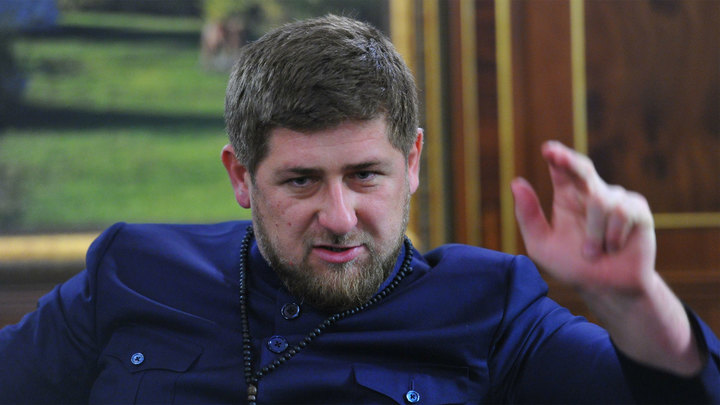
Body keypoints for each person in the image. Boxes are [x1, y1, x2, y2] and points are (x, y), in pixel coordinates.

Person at [0, 14, 718, 404]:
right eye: (302, 182)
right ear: (241, 176)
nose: (340, 216)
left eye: (366, 175)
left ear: (412, 162)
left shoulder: (492, 307)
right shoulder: (132, 269)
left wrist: (636, 302)